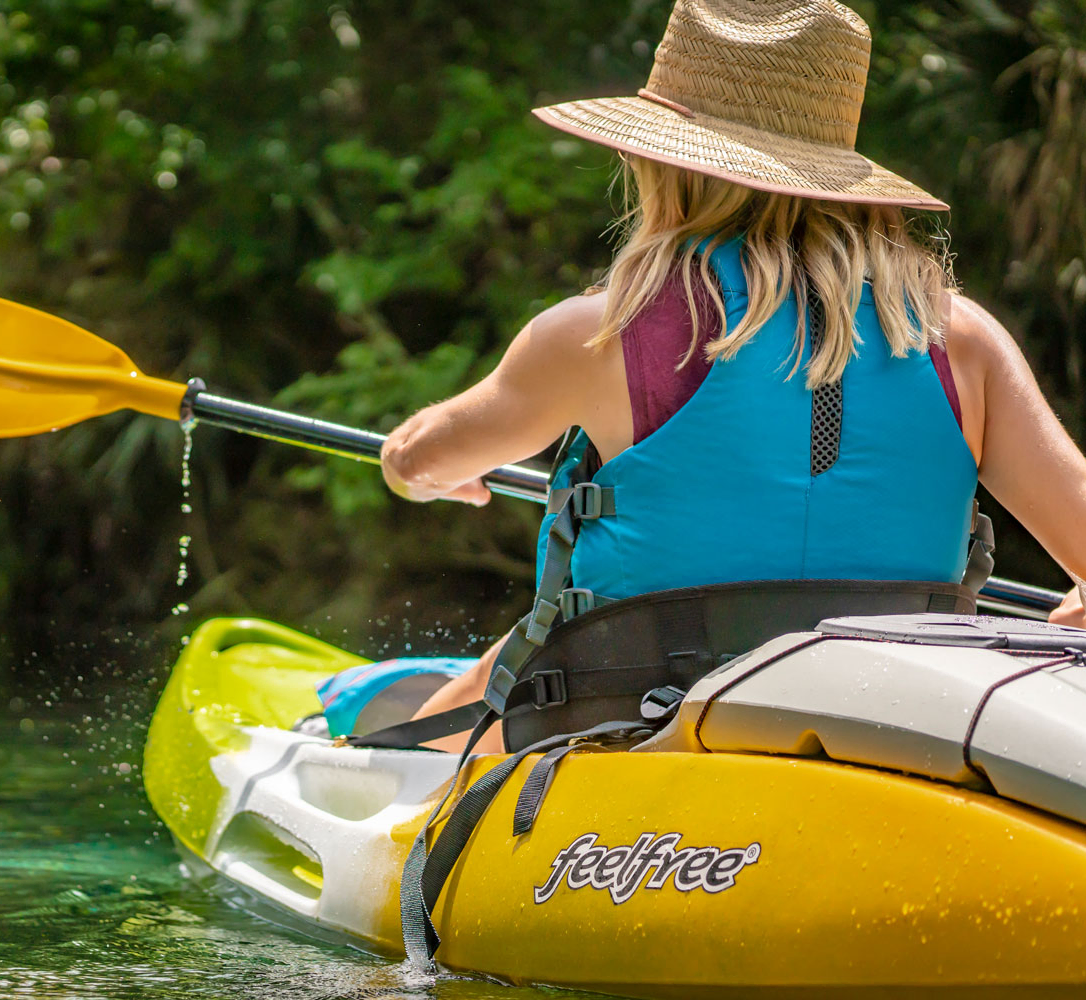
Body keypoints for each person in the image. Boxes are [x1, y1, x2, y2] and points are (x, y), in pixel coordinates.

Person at [379, 0, 1086, 754]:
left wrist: (411, 468)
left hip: (632, 723)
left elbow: (424, 457)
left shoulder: (603, 331)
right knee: (520, 658)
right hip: (898, 737)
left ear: (663, 163)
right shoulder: (963, 340)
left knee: (517, 672)